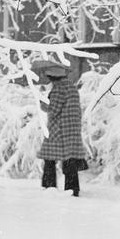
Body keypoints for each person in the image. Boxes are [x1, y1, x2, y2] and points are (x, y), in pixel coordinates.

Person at [36, 63, 88, 197]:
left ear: (53, 77)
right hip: (72, 128)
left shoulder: (58, 89)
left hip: (59, 129)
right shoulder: (71, 87)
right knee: (70, 160)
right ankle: (72, 188)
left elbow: (53, 110)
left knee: (49, 158)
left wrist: (42, 103)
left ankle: (49, 186)